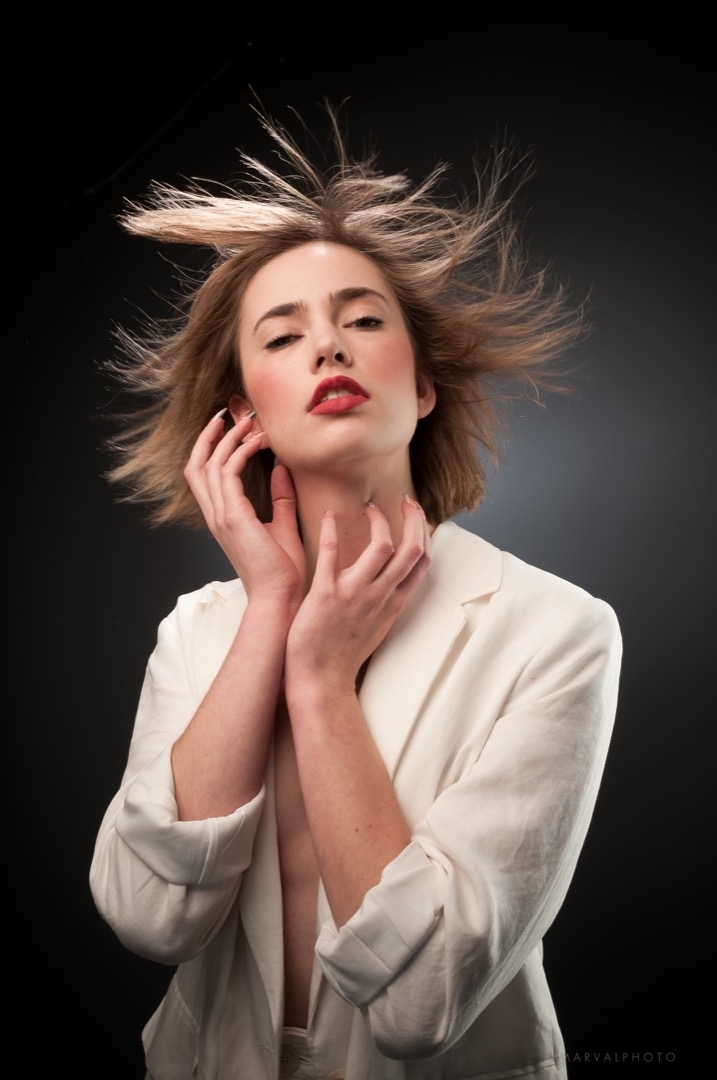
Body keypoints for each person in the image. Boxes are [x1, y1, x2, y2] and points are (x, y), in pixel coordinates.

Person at [90, 108, 622, 1080]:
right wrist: (271, 612)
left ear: (422, 386)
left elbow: (422, 1006)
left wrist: (322, 680)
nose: (328, 347)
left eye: (364, 320)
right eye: (283, 335)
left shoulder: (557, 630)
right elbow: (148, 917)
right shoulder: (198, 631)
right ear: (244, 413)